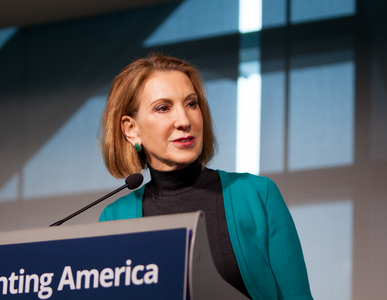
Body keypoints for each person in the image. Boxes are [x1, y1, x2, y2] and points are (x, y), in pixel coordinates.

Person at [98, 53, 313, 300]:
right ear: (131, 129)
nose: (184, 120)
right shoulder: (114, 219)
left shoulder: (257, 195)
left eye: (191, 104)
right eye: (163, 108)